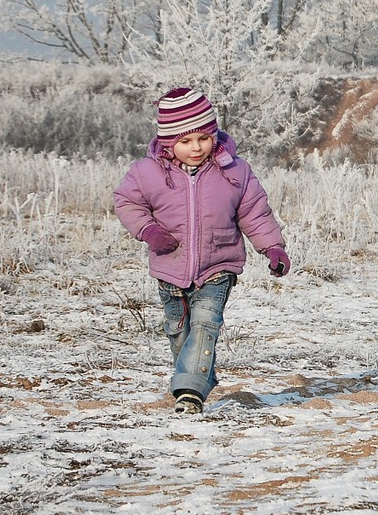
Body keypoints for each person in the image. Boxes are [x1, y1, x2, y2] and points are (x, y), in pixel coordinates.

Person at [114, 87, 290, 415]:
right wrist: (148, 231)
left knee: (206, 324)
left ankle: (189, 393)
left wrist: (273, 247)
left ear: (214, 134)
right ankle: (193, 375)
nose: (196, 148)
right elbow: (126, 202)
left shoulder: (234, 171)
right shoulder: (147, 173)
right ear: (169, 143)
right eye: (185, 141)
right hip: (171, 267)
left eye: (203, 138)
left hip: (218, 264)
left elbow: (254, 211)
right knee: (179, 332)